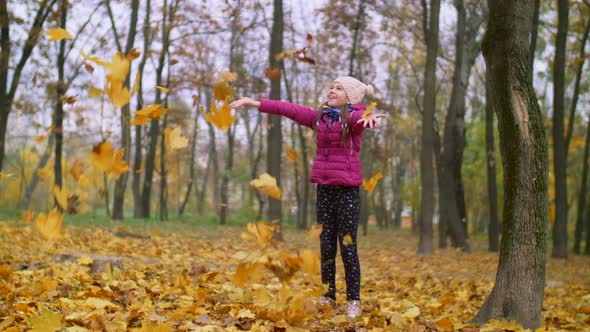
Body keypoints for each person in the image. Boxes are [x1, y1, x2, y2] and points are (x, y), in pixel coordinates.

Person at [229, 76, 387, 319]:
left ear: (350, 96)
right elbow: (288, 109)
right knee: (325, 246)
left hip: (347, 190)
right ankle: (328, 295)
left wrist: (369, 119)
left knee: (347, 247)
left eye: (339, 88)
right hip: (324, 188)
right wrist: (255, 103)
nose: (332, 90)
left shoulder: (353, 116)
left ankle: (353, 300)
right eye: (332, 86)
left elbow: (360, 118)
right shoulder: (320, 117)